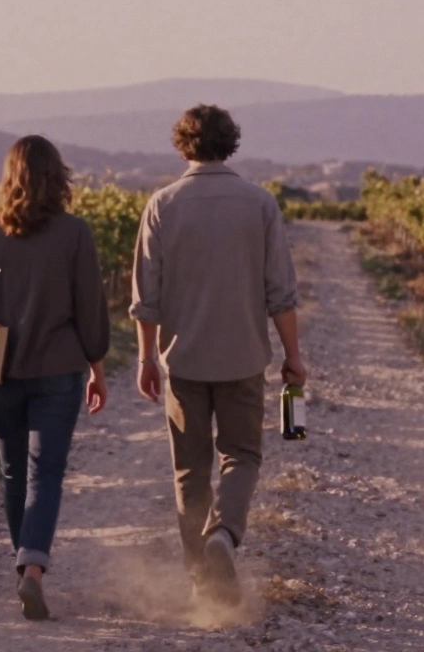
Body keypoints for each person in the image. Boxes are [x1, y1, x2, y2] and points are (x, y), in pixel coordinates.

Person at [129, 104, 307, 604]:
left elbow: (146, 297)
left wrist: (145, 358)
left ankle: (198, 579)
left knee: (190, 468)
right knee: (242, 455)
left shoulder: (162, 205)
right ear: (230, 143)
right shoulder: (259, 204)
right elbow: (281, 293)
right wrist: (293, 355)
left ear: (183, 145)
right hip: (244, 357)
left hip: (183, 361)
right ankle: (223, 536)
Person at [0, 135, 110, 621]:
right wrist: (97, 370)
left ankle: (25, 569)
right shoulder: (75, 233)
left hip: (0, 372)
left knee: (13, 472)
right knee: (47, 473)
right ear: (56, 177)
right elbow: (90, 312)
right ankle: (34, 567)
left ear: (10, 178)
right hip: (59, 370)